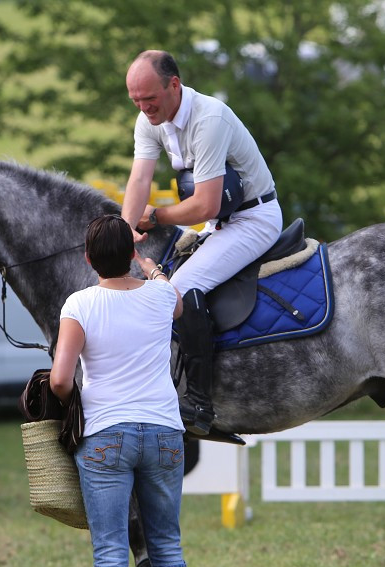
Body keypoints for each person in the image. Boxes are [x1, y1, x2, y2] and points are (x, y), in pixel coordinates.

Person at [50, 214, 201, 567]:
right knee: (168, 546)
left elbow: (59, 379)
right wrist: (151, 267)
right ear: (130, 256)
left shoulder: (80, 304)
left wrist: (68, 403)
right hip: (162, 431)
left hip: (106, 436)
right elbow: (177, 302)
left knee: (110, 552)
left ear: (89, 259)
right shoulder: (159, 295)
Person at [121, 49, 283, 435]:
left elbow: (205, 204)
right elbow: (140, 180)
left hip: (253, 218)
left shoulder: (208, 118)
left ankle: (199, 402)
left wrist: (156, 216)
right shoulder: (149, 120)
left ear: (173, 85)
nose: (144, 109)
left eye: (150, 100)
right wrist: (125, 229)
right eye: (136, 102)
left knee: (176, 290)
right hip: (218, 223)